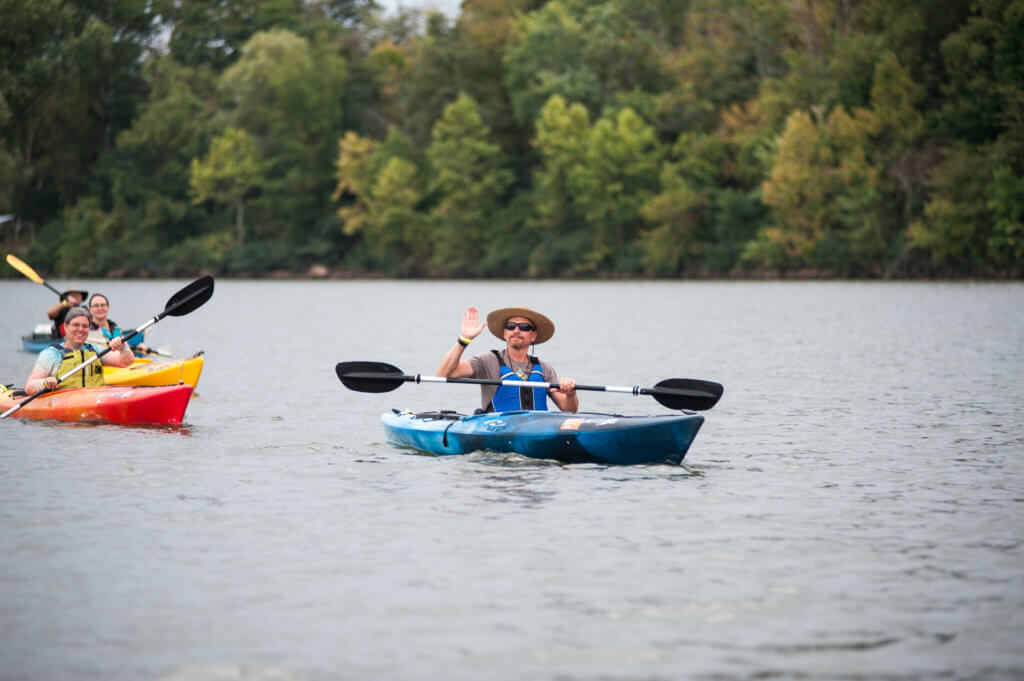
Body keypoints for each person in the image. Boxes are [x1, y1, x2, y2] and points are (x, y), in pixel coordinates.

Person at [437, 305, 578, 413]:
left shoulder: (544, 368)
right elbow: (443, 374)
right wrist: (464, 339)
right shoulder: (487, 361)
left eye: (523, 327)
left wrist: (571, 394)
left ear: (533, 335)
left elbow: (569, 410)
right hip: (500, 433)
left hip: (538, 431)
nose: (516, 330)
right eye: (511, 326)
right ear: (505, 333)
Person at [24, 307, 134, 395]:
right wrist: (45, 383)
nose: (81, 329)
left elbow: (125, 362)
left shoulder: (95, 349)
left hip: (96, 399)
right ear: (66, 327)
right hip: (66, 406)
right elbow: (29, 386)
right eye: (76, 325)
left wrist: (123, 346)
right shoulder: (52, 354)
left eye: (85, 326)